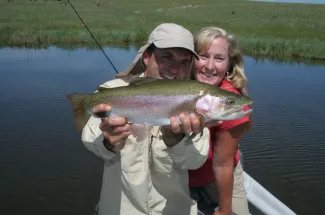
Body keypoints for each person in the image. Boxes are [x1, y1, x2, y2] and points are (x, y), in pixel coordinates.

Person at [81, 23, 222, 215]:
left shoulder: (192, 100)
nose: (174, 69)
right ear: (146, 57)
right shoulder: (113, 90)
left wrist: (176, 140)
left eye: (183, 62)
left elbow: (194, 162)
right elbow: (90, 139)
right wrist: (108, 142)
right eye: (167, 57)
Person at [188, 26, 252, 215]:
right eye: (203, 55)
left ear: (229, 63)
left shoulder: (231, 103)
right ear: (191, 57)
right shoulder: (178, 81)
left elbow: (222, 164)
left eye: (219, 58)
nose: (209, 66)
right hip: (180, 176)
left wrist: (224, 210)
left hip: (216, 179)